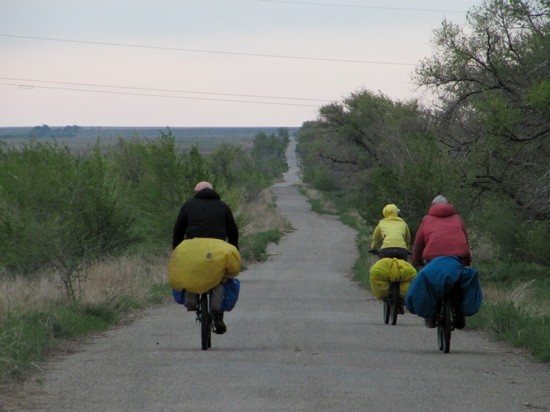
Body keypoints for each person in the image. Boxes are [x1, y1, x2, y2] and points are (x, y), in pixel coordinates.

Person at [172, 181, 239, 334]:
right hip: (217, 249)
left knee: (190, 272)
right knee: (222, 278)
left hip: (193, 248)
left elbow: (178, 229)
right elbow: (233, 230)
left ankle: (192, 300)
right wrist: (234, 247)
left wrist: (176, 249)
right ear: (212, 191)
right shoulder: (222, 206)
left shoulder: (188, 205)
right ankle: (218, 316)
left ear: (196, 192)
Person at [411, 195, 472, 329]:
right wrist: (466, 260)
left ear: (432, 206)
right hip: (456, 257)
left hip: (434, 258)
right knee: (458, 283)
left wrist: (416, 260)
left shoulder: (426, 220)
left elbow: (418, 243)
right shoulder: (458, 219)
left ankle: (431, 316)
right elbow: (465, 241)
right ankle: (459, 314)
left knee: (430, 285)